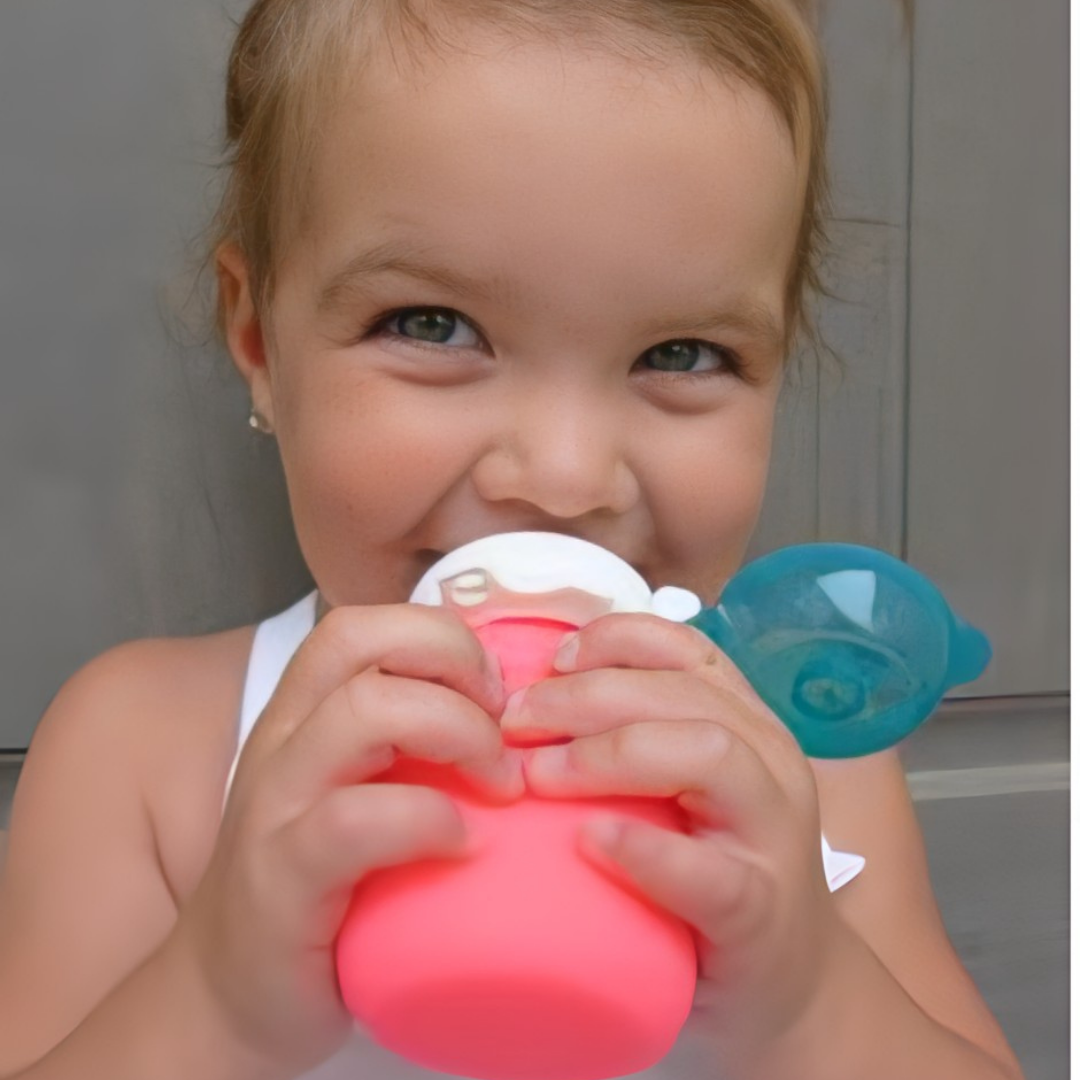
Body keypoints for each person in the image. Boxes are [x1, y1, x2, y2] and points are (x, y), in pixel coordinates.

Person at [0, 1, 1024, 1078]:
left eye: (681, 353)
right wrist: (214, 998)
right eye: (432, 326)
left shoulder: (801, 769)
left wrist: (813, 999)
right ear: (260, 340)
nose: (565, 479)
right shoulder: (147, 754)